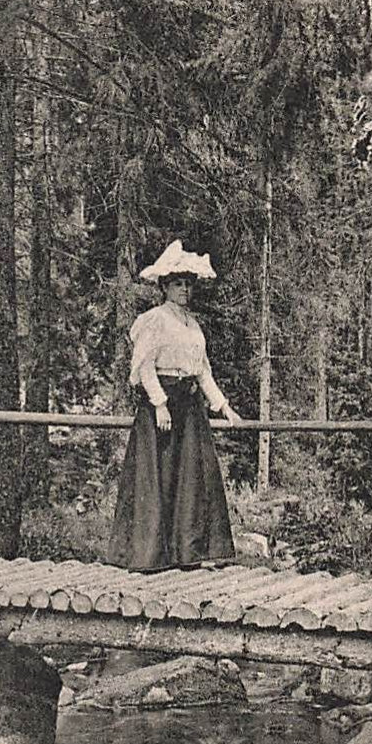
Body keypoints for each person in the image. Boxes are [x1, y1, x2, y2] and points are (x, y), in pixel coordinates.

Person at [108, 240, 243, 571]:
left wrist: (224, 407)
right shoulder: (154, 320)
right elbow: (144, 366)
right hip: (163, 405)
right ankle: (153, 556)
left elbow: (203, 371)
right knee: (159, 477)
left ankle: (188, 553)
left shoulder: (192, 326)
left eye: (188, 284)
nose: (184, 290)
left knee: (190, 479)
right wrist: (159, 404)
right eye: (178, 284)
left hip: (190, 408)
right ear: (164, 287)